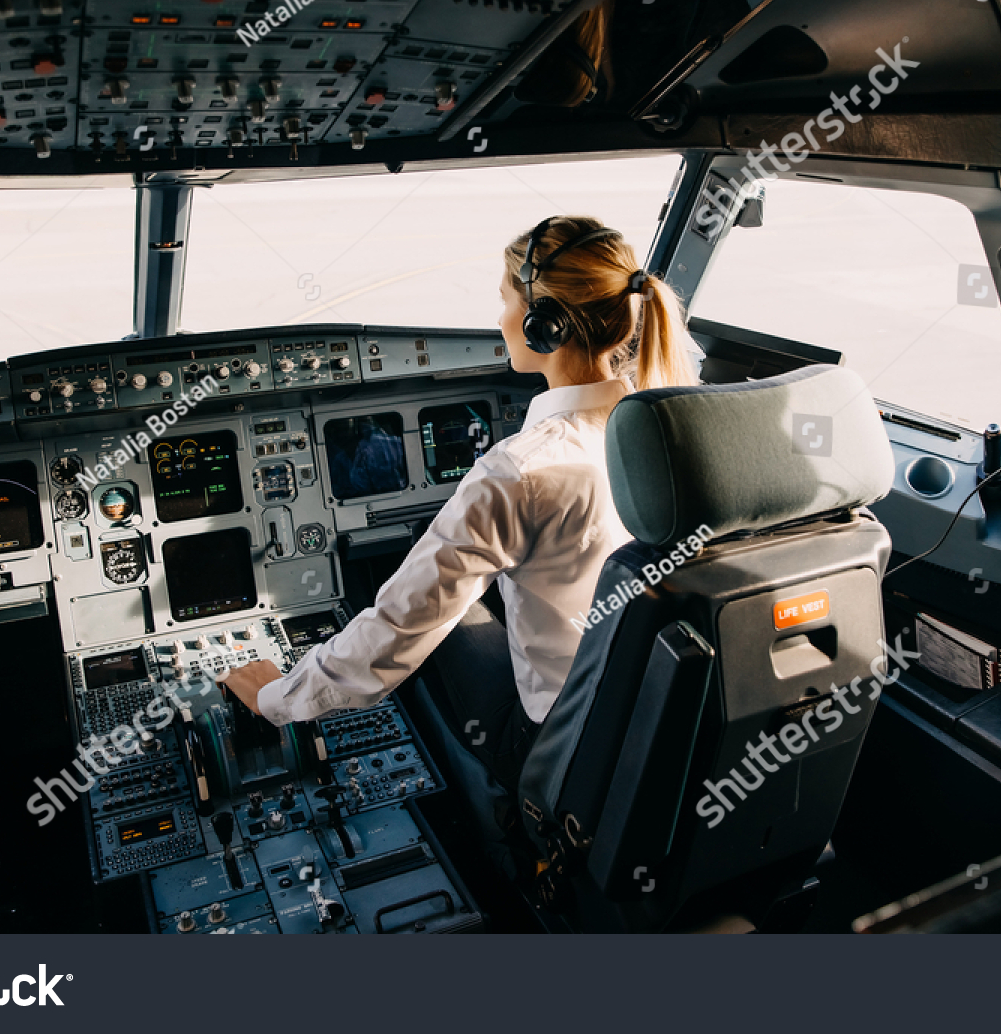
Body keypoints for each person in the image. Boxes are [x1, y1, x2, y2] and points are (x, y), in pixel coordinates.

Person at [224, 216, 700, 788]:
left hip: (562, 747)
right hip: (663, 715)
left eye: (505, 302)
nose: (498, 320)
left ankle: (493, 815)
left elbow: (396, 633)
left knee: (435, 617)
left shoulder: (519, 471)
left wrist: (277, 697)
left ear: (542, 325)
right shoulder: (670, 428)